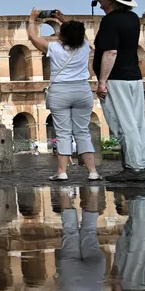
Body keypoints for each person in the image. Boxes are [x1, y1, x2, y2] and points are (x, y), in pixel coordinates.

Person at [27, 10, 101, 182]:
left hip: (60, 91)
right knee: (82, 132)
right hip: (83, 90)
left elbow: (33, 38)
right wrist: (62, 19)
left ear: (63, 34)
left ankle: (62, 171)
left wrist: (32, 20)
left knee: (63, 133)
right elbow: (78, 34)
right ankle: (93, 172)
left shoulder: (54, 47)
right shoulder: (84, 46)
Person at [93, 0, 145, 182]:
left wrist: (102, 81)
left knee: (124, 124)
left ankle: (134, 169)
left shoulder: (110, 22)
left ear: (113, 1)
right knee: (137, 123)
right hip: (134, 77)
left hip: (116, 78)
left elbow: (110, 52)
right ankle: (141, 164)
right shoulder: (133, 19)